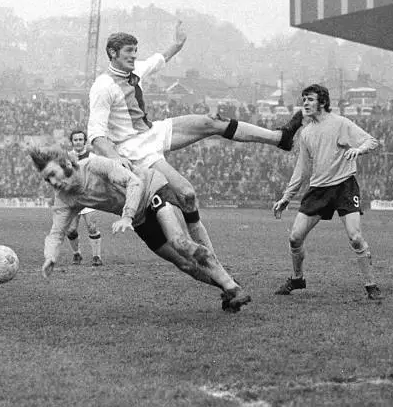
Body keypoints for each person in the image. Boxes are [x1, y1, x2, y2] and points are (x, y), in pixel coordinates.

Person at [87, 22, 303, 256]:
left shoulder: (134, 70)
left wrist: (178, 44)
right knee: (187, 195)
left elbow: (159, 59)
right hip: (135, 149)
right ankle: (210, 259)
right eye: (129, 51)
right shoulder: (102, 87)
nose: (134, 56)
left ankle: (280, 137)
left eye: (135, 50)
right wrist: (116, 159)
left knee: (212, 122)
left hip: (153, 132)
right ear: (112, 53)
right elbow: (96, 135)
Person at [29, 147, 252, 313]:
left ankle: (232, 287)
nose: (52, 182)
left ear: (66, 164)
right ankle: (228, 285)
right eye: (47, 180)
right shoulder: (65, 199)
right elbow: (56, 233)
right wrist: (50, 257)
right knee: (184, 265)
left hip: (153, 189)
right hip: (139, 219)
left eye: (52, 174)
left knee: (179, 242)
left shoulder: (96, 166)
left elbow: (134, 182)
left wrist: (126, 215)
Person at [272, 84, 382, 300]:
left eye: (310, 99)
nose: (305, 103)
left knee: (355, 237)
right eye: (303, 99)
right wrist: (286, 197)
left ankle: (371, 285)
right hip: (318, 189)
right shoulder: (305, 133)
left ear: (322, 102)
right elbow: (302, 169)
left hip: (344, 186)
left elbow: (372, 141)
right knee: (295, 238)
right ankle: (297, 279)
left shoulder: (340, 123)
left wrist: (358, 150)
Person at [66, 129, 103, 266]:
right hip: (72, 199)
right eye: (75, 140)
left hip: (88, 197)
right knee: (70, 230)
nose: (78, 142)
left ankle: (97, 257)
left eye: (81, 139)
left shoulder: (92, 157)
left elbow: (99, 175)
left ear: (85, 141)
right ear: (72, 142)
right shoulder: (67, 157)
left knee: (92, 227)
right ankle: (77, 254)